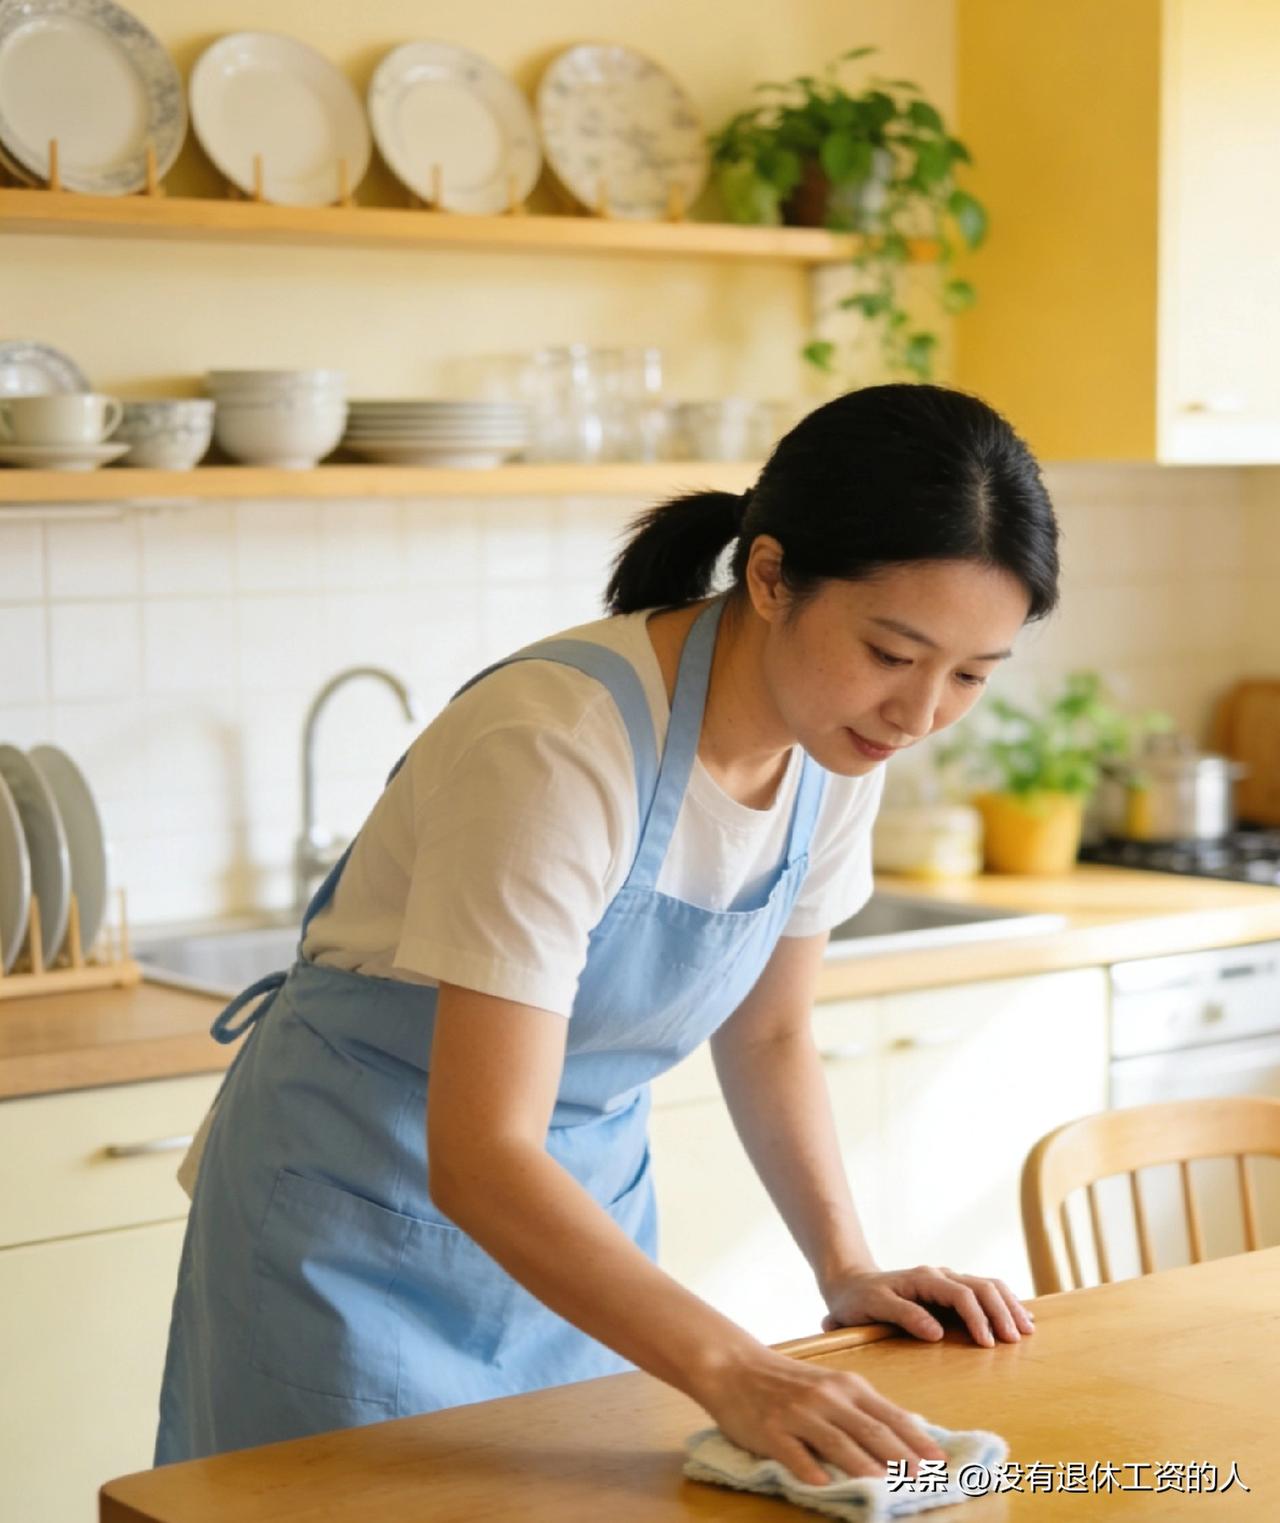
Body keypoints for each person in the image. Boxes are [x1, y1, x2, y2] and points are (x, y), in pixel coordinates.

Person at [156, 382, 1056, 1484]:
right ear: (769, 576)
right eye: (890, 652)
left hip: (577, 1238)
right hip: (352, 1232)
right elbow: (482, 1150)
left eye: (967, 674)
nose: (918, 714)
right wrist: (733, 1366)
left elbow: (769, 1032)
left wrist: (845, 1266)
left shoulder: (834, 751)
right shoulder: (558, 744)